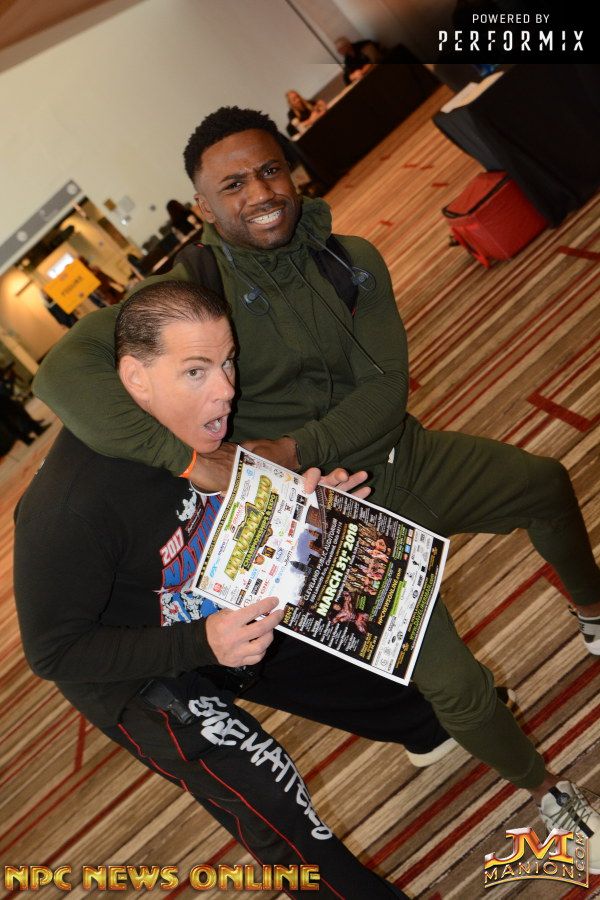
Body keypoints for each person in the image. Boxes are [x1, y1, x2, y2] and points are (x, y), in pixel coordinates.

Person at [32, 106, 600, 868]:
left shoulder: (349, 258)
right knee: (456, 682)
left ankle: (593, 611)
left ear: (292, 171)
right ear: (203, 206)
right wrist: (192, 461)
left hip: (403, 457)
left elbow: (385, 392)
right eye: (233, 185)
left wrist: (290, 447)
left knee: (545, 484)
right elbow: (62, 372)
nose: (260, 193)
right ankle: (547, 791)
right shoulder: (192, 290)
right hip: (330, 515)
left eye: (270, 170)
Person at [14, 280, 443, 898]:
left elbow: (231, 509)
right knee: (282, 813)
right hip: (134, 672)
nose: (226, 390)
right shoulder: (68, 509)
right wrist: (201, 641)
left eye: (228, 363)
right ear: (136, 380)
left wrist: (303, 513)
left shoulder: (191, 429)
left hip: (214, 604)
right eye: (196, 371)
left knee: (343, 649)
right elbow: (53, 652)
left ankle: (432, 729)